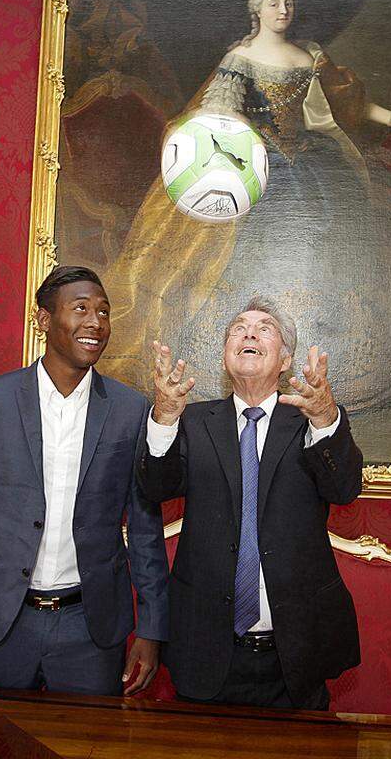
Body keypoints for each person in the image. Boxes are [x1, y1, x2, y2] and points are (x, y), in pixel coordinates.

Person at [99, 0, 391, 414]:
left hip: (313, 163)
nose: (283, 11)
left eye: (289, 4)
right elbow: (216, 112)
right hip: (258, 164)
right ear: (256, 10)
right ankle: (242, 369)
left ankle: (330, 368)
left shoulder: (310, 55)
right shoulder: (241, 57)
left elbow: (344, 104)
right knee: (249, 253)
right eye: (274, 4)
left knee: (329, 246)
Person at [0, 266, 168, 696]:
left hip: (90, 631)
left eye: (104, 312)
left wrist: (152, 628)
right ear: (44, 320)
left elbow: (144, 528)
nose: (95, 323)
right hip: (1, 625)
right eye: (81, 308)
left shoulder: (129, 410)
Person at [137, 297, 363, 710]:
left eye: (265, 328)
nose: (249, 333)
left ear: (286, 360)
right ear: (226, 356)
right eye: (238, 329)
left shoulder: (312, 421)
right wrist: (164, 418)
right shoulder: (191, 420)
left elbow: (344, 488)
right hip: (204, 646)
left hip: (296, 650)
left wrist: (326, 419)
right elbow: (155, 488)